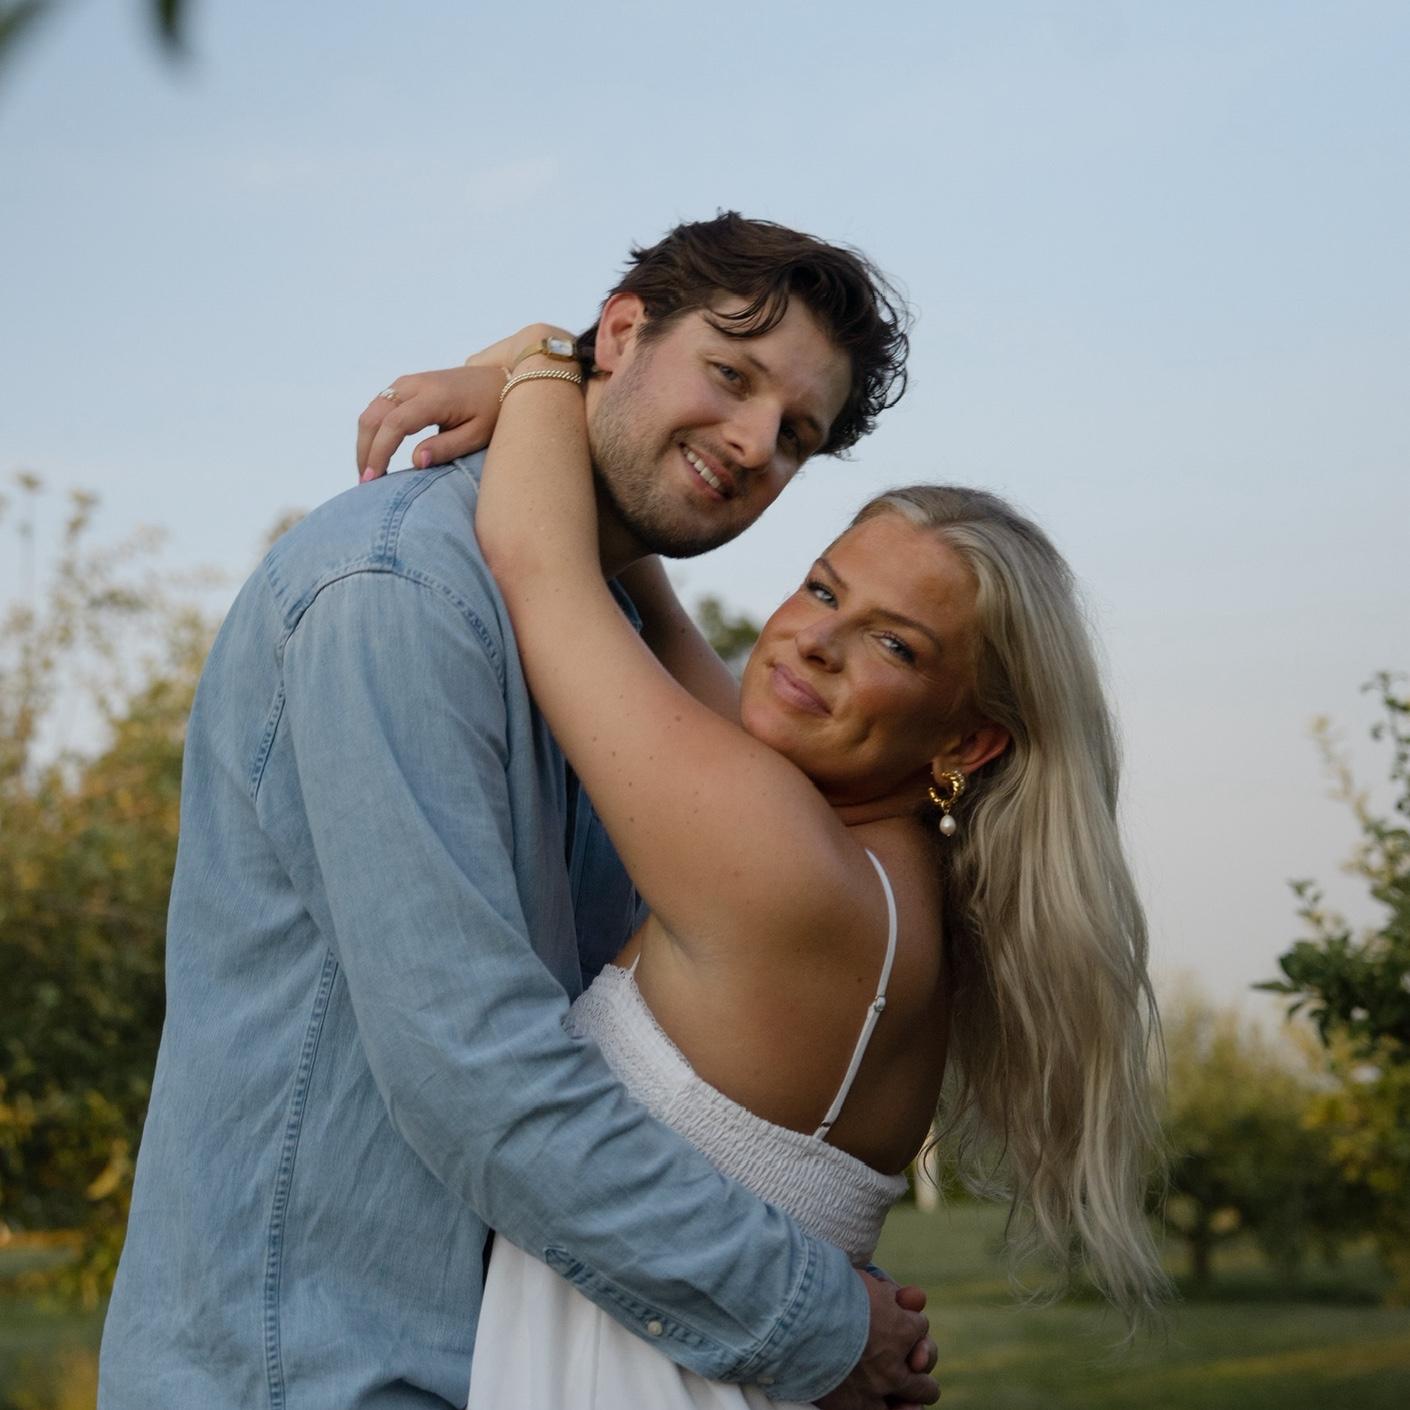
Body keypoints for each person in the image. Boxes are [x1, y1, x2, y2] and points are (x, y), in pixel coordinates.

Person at [97, 216, 941, 1410]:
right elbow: (474, 1067)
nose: (755, 444)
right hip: (319, 1374)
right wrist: (806, 1317)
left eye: (796, 434)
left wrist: (539, 370)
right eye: (730, 375)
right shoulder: (397, 593)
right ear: (623, 333)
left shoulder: (611, 649)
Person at [373, 318, 1169, 1408]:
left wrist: (546, 362)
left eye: (895, 645)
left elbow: (539, 564)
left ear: (967, 742)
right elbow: (652, 611)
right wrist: (573, 386)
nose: (813, 643)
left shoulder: (783, 862)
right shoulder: (872, 865)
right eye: (824, 589)